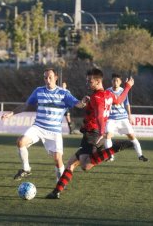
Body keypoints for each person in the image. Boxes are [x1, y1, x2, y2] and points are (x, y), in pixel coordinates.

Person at [46, 68, 135, 199]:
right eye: (87, 81)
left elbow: (99, 115)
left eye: (90, 81)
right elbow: (120, 100)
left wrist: (101, 131)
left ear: (98, 81)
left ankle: (116, 147)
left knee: (85, 165)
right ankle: (56, 192)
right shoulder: (108, 94)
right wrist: (127, 87)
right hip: (95, 132)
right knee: (71, 164)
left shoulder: (96, 97)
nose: (87, 83)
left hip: (93, 133)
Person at [1, 68, 88, 182]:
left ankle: (60, 183)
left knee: (57, 159)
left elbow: (78, 104)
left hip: (54, 131)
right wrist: (11, 113)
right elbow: (26, 105)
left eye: (50, 77)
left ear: (56, 78)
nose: (48, 80)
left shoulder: (64, 93)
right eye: (45, 77)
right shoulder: (38, 91)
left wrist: (84, 101)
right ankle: (26, 169)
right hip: (38, 127)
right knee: (20, 141)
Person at [105, 73, 148, 162]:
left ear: (120, 82)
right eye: (113, 80)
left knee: (132, 136)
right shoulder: (107, 91)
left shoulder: (123, 91)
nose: (115, 82)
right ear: (111, 81)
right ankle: (110, 156)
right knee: (108, 135)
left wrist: (130, 115)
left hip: (122, 118)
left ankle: (140, 155)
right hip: (111, 118)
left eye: (117, 80)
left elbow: (127, 104)